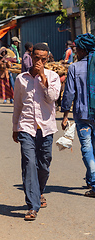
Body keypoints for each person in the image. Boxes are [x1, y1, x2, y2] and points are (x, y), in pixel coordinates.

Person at [12, 43, 61, 221]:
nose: (39, 61)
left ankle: (39, 192)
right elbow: (17, 105)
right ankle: (32, 206)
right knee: (28, 163)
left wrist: (42, 77)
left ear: (47, 59)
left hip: (46, 129)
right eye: (37, 58)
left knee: (43, 166)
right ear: (31, 57)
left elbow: (53, 97)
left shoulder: (53, 76)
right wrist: (15, 127)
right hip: (26, 127)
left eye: (43, 59)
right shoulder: (21, 79)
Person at [61, 33, 95, 197]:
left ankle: (94, 183)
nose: (75, 52)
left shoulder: (74, 67)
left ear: (82, 50)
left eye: (77, 50)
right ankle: (90, 178)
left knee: (87, 149)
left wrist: (65, 114)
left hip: (82, 115)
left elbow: (69, 93)